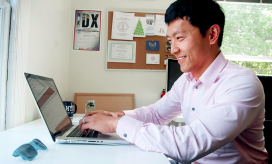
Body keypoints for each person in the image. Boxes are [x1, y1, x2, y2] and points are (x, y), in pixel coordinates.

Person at [79, 0, 268, 163]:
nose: (173, 49)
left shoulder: (242, 84)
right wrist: (116, 116)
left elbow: (190, 144)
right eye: (170, 40)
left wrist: (116, 125)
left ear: (212, 35)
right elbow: (156, 114)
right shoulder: (187, 80)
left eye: (179, 38)